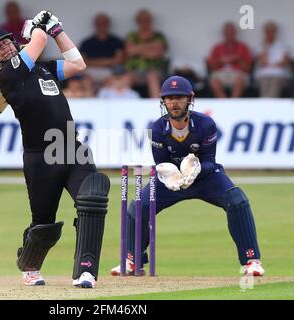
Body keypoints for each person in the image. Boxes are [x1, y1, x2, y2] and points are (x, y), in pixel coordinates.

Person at [0, 11, 110, 288]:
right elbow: (38, 40)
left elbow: (78, 64)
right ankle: (30, 264)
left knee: (93, 199)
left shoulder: (42, 68)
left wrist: (58, 31)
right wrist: (40, 27)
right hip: (41, 157)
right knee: (44, 224)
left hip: (72, 149)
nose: (4, 47)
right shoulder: (10, 76)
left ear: (15, 42)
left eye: (6, 42)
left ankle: (86, 270)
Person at [111, 75, 265, 277]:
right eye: (169, 98)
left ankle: (251, 260)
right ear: (163, 100)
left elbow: (210, 159)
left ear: (190, 98)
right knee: (139, 206)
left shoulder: (205, 124)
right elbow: (161, 163)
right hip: (173, 181)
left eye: (179, 97)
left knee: (237, 200)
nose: (174, 103)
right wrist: (171, 176)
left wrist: (196, 170)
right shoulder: (158, 128)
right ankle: (133, 261)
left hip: (205, 178)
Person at [124, 9, 168, 98]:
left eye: (147, 20)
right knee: (126, 78)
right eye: (141, 20)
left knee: (152, 77)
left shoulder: (158, 35)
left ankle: (156, 106)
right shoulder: (132, 35)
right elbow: (130, 51)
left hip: (155, 69)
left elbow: (158, 52)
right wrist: (150, 47)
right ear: (138, 22)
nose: (144, 22)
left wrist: (138, 49)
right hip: (135, 70)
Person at [208, 22, 253, 98]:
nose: (229, 34)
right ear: (224, 33)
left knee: (239, 81)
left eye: (231, 32)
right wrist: (220, 61)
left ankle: (233, 104)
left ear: (235, 33)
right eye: (227, 32)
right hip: (221, 73)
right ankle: (224, 104)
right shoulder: (217, 47)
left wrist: (237, 59)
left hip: (238, 73)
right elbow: (211, 67)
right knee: (214, 82)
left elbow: (248, 68)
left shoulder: (243, 47)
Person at [79, 13, 124, 86]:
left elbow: (119, 59)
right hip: (91, 71)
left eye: (104, 23)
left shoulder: (116, 41)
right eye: (99, 23)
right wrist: (108, 61)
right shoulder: (86, 42)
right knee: (85, 80)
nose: (102, 25)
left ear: (108, 24)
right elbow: (83, 61)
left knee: (116, 79)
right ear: (95, 24)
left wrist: (95, 62)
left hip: (110, 71)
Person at [254, 21, 291, 97]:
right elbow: (263, 62)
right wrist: (266, 46)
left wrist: (270, 64)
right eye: (268, 32)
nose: (270, 34)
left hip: (279, 74)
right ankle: (267, 104)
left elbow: (285, 63)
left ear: (275, 33)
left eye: (272, 31)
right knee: (265, 82)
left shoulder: (282, 46)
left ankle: (269, 104)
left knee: (275, 81)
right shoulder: (260, 46)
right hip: (263, 75)